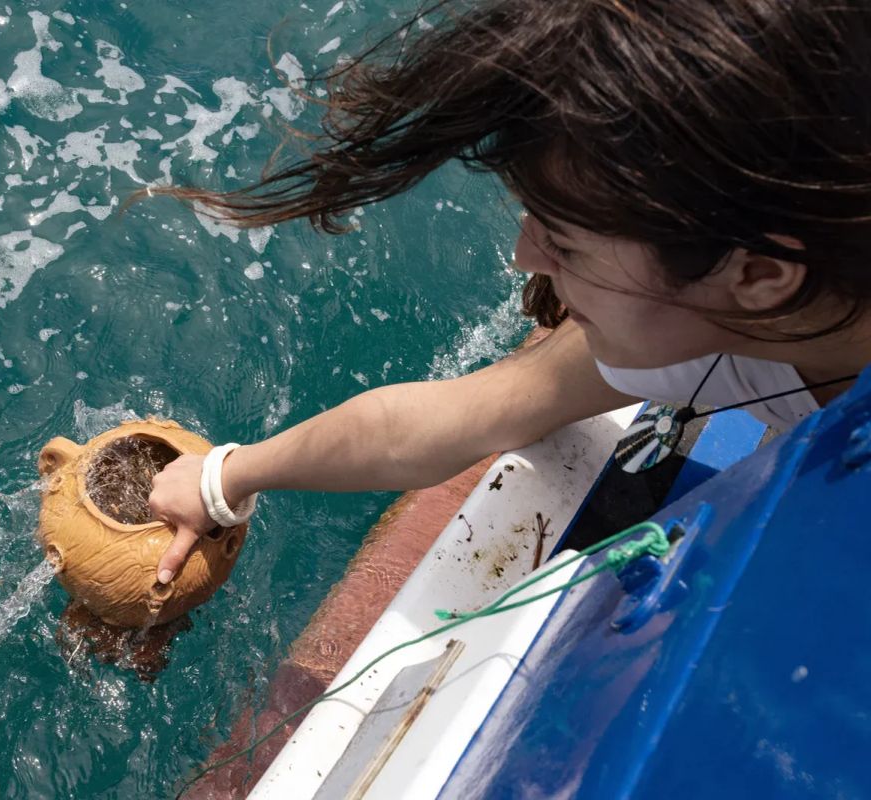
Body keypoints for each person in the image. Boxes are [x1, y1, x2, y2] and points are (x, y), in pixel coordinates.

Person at [147, 0, 871, 584]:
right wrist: (224, 477)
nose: (525, 254)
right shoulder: (728, 318)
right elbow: (455, 415)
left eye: (566, 241)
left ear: (760, 276)